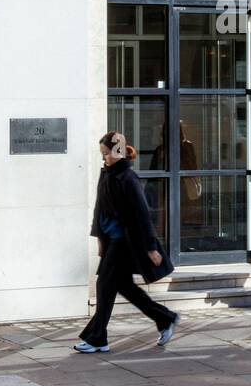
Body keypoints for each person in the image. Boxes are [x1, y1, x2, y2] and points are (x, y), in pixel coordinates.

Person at [76, 132, 181, 353]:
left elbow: (142, 215)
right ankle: (165, 318)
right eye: (102, 154)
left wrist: (151, 247)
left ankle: (98, 339)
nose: (104, 158)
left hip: (124, 242)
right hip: (111, 239)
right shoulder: (106, 174)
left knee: (104, 286)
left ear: (118, 151)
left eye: (107, 154)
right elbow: (99, 208)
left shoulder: (128, 178)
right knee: (124, 287)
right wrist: (99, 238)